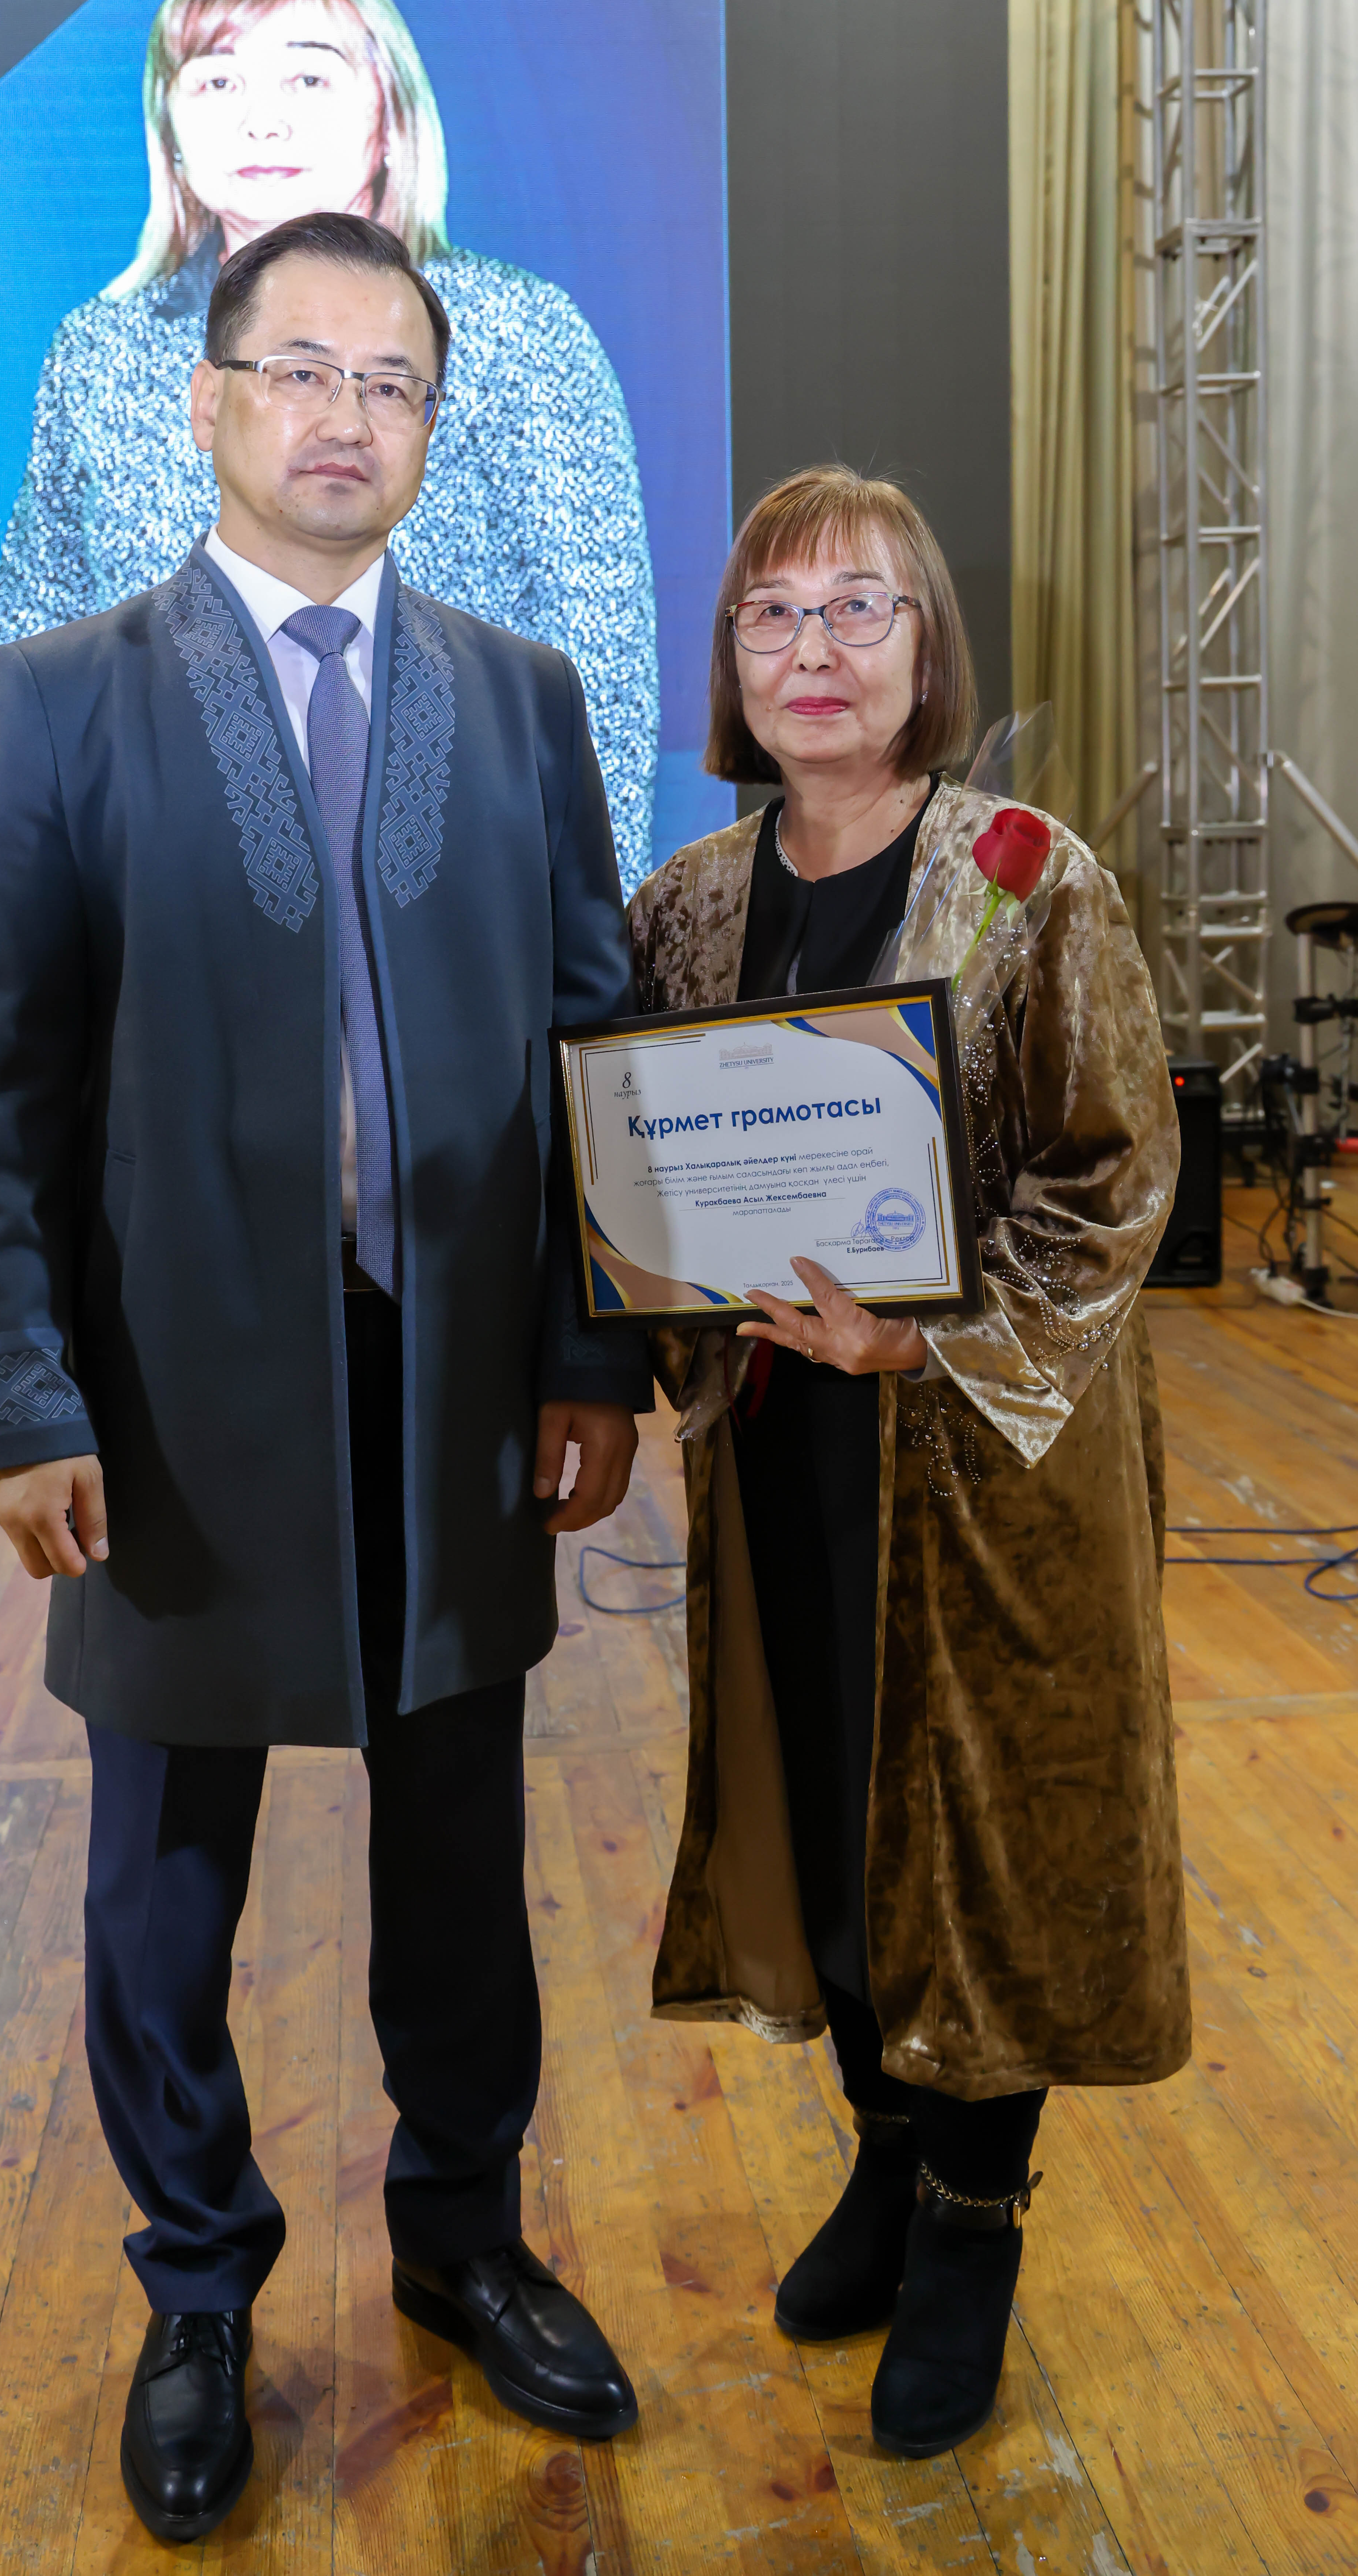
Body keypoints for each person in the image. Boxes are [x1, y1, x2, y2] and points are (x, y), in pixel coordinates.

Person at [0, 211, 649, 2546]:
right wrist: (20, 1391)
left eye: (392, 381)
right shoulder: (57, 698)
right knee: (166, 1880)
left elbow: (587, 1046)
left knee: (461, 1858)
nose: (347, 416)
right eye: (302, 370)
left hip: (455, 1389)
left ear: (435, 425)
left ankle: (463, 2234)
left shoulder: (524, 696)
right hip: (166, 1401)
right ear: (211, 400)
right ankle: (196, 2286)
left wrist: (590, 1347)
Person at [629, 467, 1189, 2460]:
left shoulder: (1030, 879)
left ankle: (971, 2215)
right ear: (731, 662)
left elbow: (1112, 1174)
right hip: (783, 1454)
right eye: (771, 616)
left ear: (922, 645)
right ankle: (882, 2144)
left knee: (984, 1837)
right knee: (828, 1807)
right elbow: (644, 1168)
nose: (812, 651)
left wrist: (920, 1338)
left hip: (982, 1476)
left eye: (855, 609)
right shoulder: (684, 904)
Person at [0, 0, 660, 886]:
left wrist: (569, 925)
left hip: (460, 900)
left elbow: (601, 682)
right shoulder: (97, 351)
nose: (261, 118)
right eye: (218, 80)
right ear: (169, 124)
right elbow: (41, 656)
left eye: (307, 76)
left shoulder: (524, 335)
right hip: (165, 912)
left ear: (390, 113)